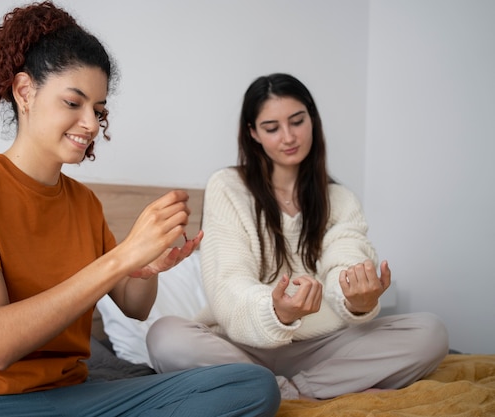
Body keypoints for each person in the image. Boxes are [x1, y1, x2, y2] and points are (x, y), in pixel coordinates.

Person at [0, 3, 281, 416]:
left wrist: (146, 265)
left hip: (69, 399)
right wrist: (120, 257)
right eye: (74, 103)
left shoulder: (84, 203)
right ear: (25, 92)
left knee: (252, 385)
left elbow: (135, 306)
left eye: (98, 110)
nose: (92, 124)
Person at [146, 73, 449, 401]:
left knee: (430, 332)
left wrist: (356, 299)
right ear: (253, 133)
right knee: (165, 336)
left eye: (297, 121)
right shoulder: (228, 187)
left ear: (312, 120)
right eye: (272, 128)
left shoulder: (341, 200)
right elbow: (228, 284)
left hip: (322, 348)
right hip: (243, 348)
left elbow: (344, 263)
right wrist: (276, 311)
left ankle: (289, 392)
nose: (288, 137)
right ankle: (294, 388)